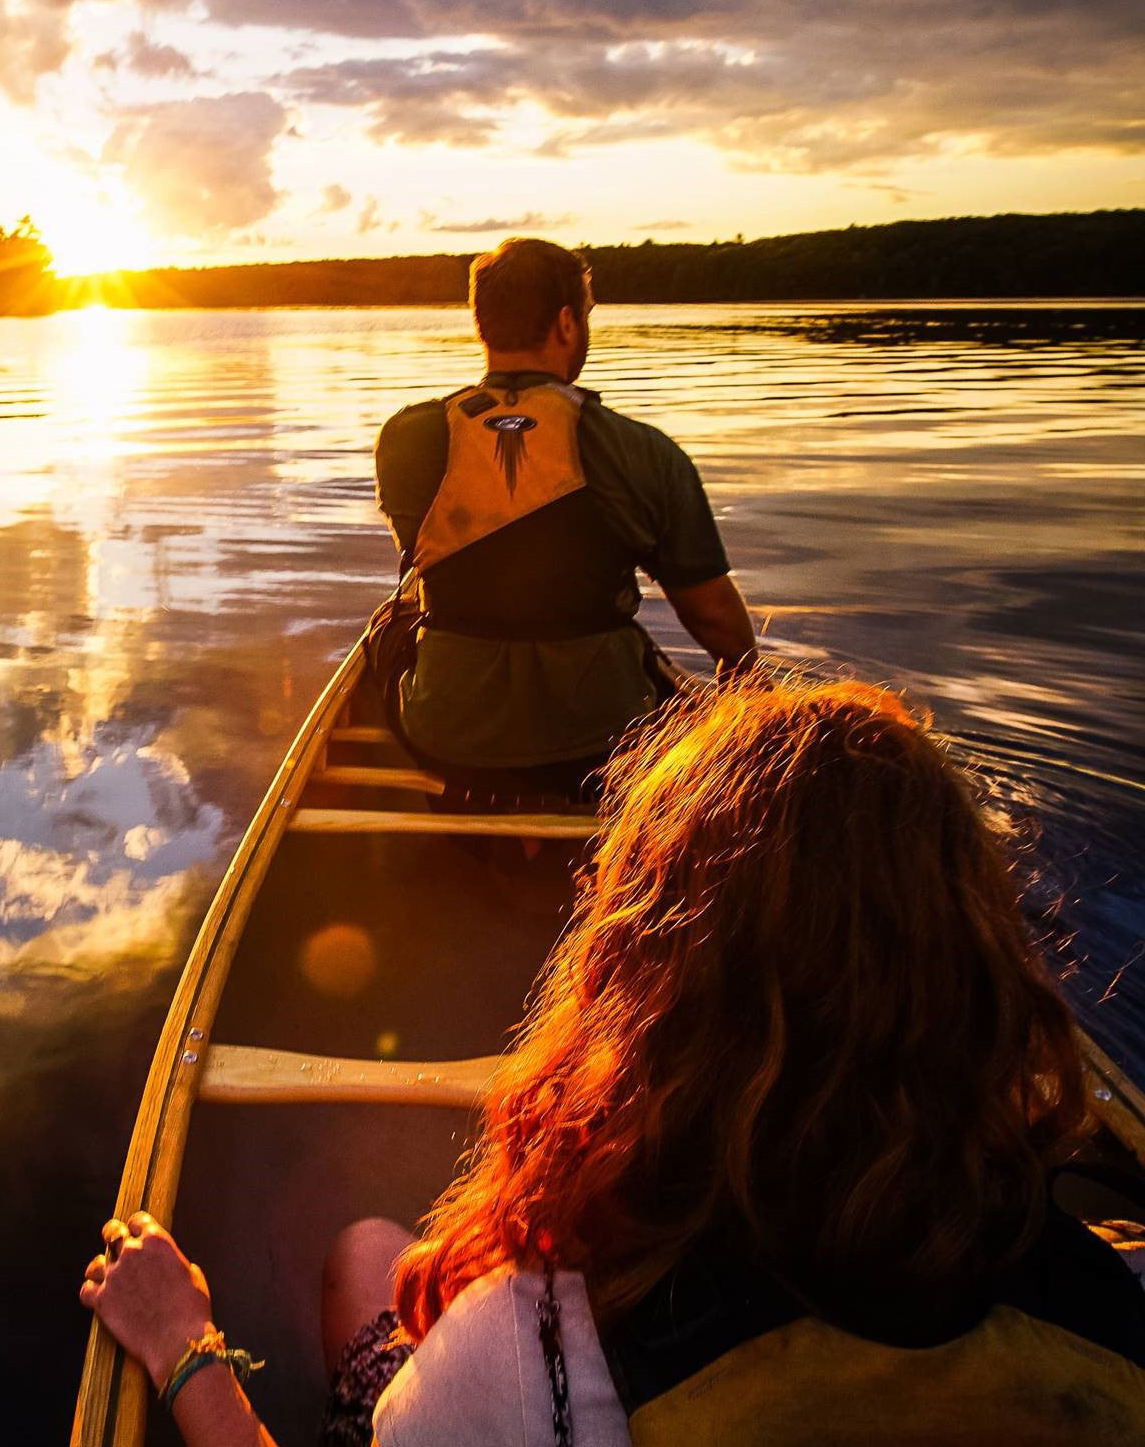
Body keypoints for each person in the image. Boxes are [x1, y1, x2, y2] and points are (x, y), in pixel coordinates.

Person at [80, 678, 1145, 1444]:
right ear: (981, 966)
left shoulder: (531, 1355)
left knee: (368, 1256)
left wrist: (186, 1354)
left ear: (648, 981)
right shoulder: (1112, 1306)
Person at [373, 236, 757, 795]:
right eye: (587, 312)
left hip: (446, 742)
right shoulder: (643, 449)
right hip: (609, 747)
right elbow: (716, 618)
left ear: (483, 324)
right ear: (566, 323)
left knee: (391, 626)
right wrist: (746, 693)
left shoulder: (406, 438)